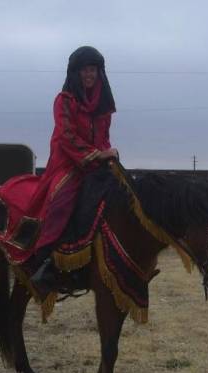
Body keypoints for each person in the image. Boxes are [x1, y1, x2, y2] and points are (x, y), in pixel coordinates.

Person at [29, 46, 119, 285]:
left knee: (122, 190)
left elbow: (103, 138)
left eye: (93, 70)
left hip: (96, 161)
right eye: (85, 70)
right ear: (76, 74)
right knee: (62, 200)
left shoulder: (103, 108)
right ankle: (45, 258)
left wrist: (108, 156)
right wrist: (97, 155)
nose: (89, 75)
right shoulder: (64, 101)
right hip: (67, 162)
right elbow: (66, 136)